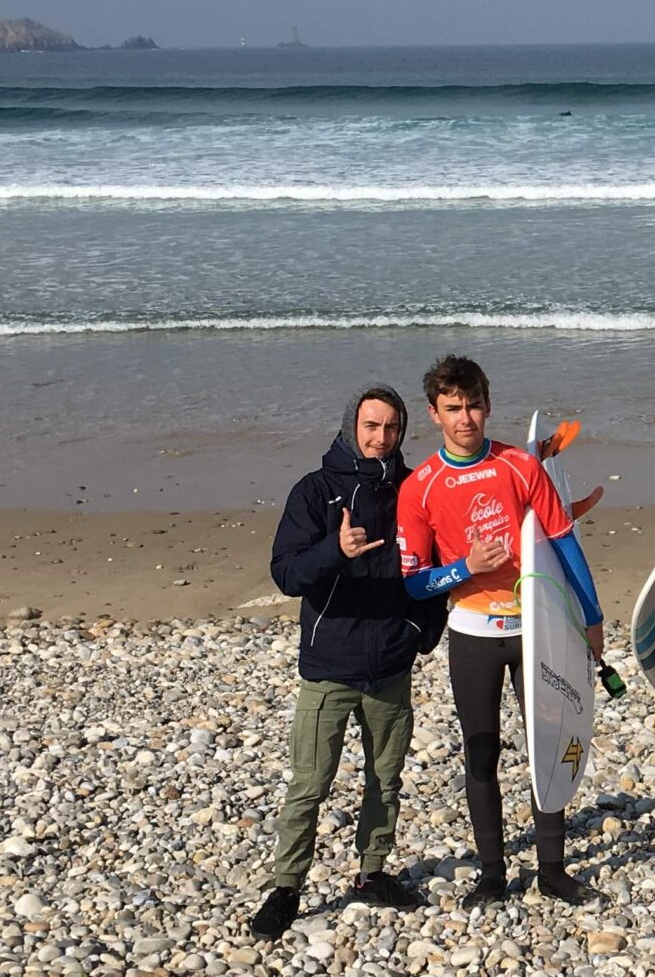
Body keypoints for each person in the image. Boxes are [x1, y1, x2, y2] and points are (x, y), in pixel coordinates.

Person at [395, 355, 606, 906]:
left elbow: (563, 541)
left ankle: (553, 868)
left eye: (473, 406)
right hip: (472, 632)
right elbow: (415, 582)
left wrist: (592, 618)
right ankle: (492, 872)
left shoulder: (519, 465)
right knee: (481, 750)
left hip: (537, 624)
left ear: (487, 405)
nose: (465, 418)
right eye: (453, 409)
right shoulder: (420, 487)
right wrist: (467, 566)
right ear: (434, 414)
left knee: (548, 742)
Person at [248, 386, 447, 939]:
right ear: (350, 427)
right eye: (370, 426)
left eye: (390, 428)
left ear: (402, 432)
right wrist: (335, 551)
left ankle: (371, 872)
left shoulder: (413, 491)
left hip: (390, 663)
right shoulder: (314, 492)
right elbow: (286, 575)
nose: (380, 437)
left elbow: (434, 573)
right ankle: (286, 887)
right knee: (310, 783)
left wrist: (418, 634)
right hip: (329, 667)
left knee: (385, 780)